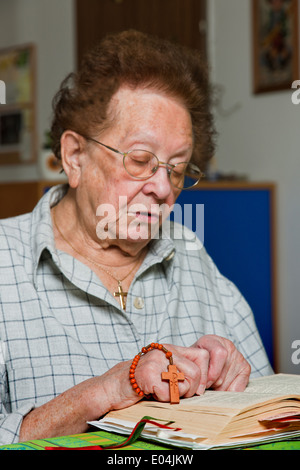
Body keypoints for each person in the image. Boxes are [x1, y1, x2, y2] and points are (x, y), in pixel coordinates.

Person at [0, 30, 273, 445]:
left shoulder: (190, 251)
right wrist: (106, 391)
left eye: (177, 169)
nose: (163, 189)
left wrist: (238, 382)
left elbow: (275, 414)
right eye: (141, 160)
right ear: (74, 156)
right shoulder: (6, 262)